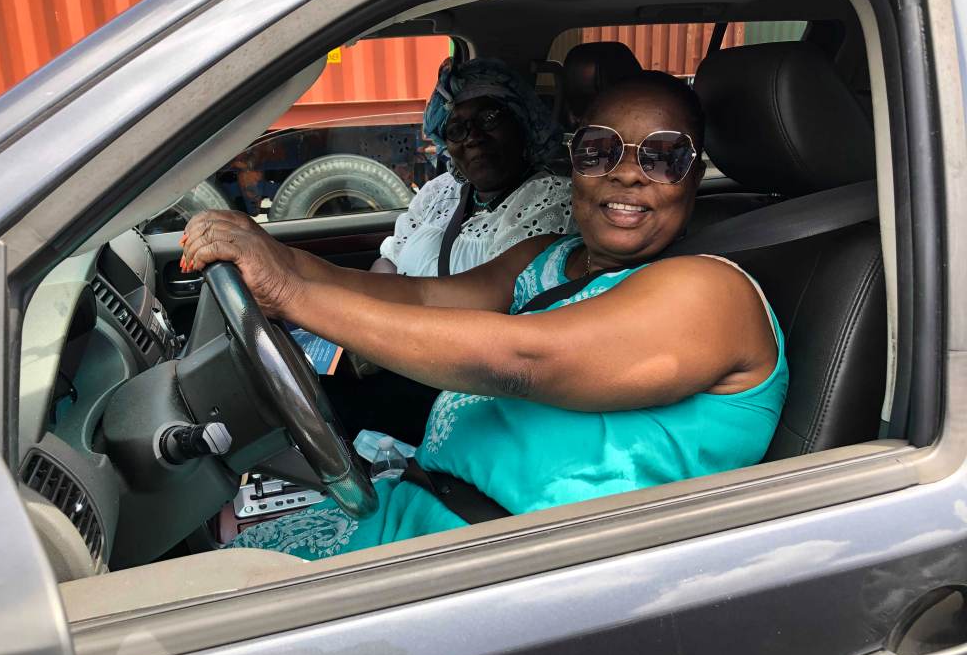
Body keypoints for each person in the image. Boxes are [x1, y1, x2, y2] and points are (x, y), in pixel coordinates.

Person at [180, 71, 789, 559]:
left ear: (695, 170)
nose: (627, 171)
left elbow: (520, 359)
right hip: (416, 510)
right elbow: (417, 296)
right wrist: (276, 256)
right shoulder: (549, 258)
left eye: (663, 156)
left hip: (505, 568)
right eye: (599, 150)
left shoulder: (712, 293)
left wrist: (289, 292)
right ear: (573, 161)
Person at [371, 57, 575, 276]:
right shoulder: (437, 192)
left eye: (488, 119)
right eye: (456, 130)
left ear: (521, 123)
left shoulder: (553, 200)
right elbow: (388, 261)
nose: (473, 138)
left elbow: (496, 296)